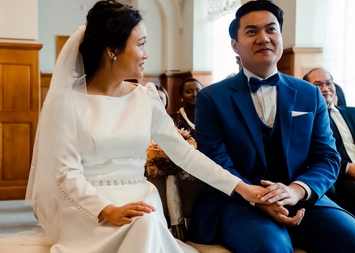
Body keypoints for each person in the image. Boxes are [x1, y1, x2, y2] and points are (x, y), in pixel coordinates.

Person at [0, 1, 273, 252]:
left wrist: (240, 187)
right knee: (141, 223)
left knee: (144, 220)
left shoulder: (146, 97)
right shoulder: (67, 102)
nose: (146, 54)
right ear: (112, 50)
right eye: (141, 44)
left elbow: (185, 153)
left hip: (141, 198)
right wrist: (106, 210)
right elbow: (66, 172)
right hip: (89, 210)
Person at [187, 1, 355, 252]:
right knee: (272, 249)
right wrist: (258, 198)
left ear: (280, 36)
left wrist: (296, 191)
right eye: (251, 31)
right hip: (239, 201)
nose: (263, 38)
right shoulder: (212, 98)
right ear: (235, 45)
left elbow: (328, 157)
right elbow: (216, 160)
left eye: (271, 29)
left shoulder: (309, 94)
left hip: (303, 199)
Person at [303, 67, 355, 233]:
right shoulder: (307, 119)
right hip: (340, 173)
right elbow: (310, 155)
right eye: (318, 85)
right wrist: (348, 168)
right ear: (308, 88)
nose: (325, 88)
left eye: (328, 83)